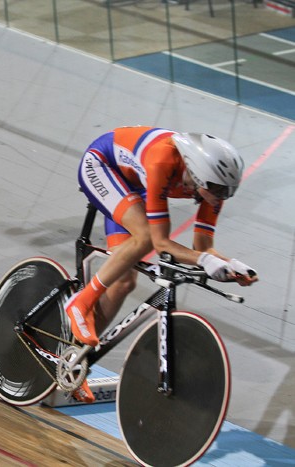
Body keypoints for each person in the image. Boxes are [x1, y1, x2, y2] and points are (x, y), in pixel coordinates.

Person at [65, 126, 259, 403]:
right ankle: (80, 303)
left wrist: (231, 266)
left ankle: (74, 363)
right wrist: (206, 261)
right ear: (199, 174)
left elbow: (202, 248)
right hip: (103, 165)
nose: (220, 198)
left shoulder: (212, 185)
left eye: (228, 192)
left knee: (123, 282)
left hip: (137, 183)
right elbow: (161, 243)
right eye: (217, 190)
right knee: (144, 238)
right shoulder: (163, 159)